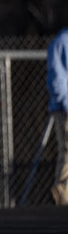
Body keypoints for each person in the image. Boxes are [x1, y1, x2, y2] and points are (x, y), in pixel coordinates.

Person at [47, 28, 68, 205]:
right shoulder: (62, 42)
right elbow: (56, 79)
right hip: (64, 109)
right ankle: (62, 193)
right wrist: (66, 103)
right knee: (67, 151)